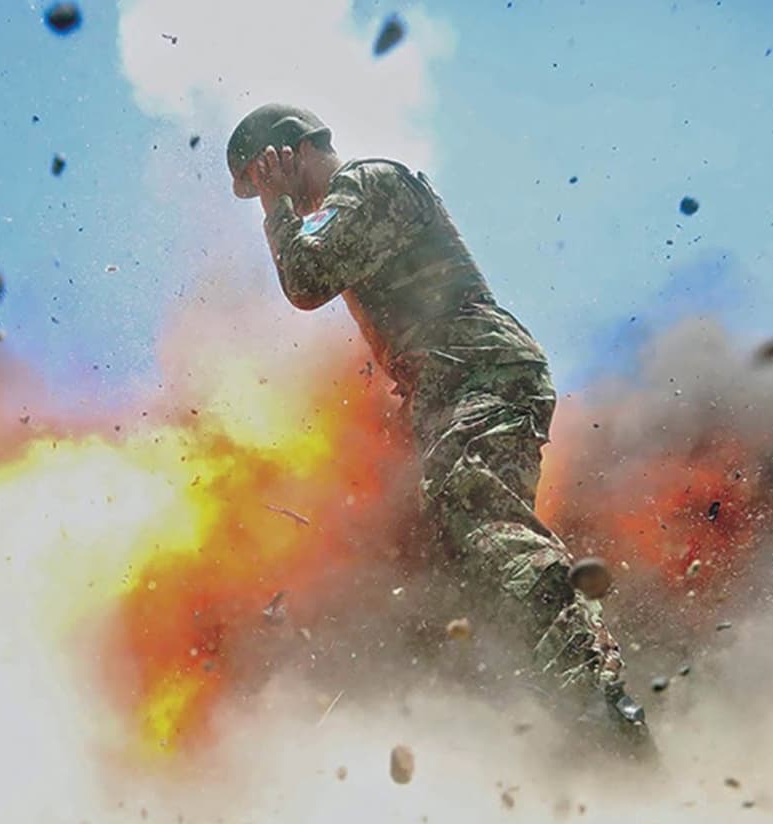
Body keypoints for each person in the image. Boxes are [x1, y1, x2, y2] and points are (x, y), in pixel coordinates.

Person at [227, 103, 650, 746]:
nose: (263, 194)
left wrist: (277, 209)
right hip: (451, 385)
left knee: (476, 511)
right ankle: (533, 718)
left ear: (289, 154)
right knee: (436, 564)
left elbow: (306, 280)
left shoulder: (365, 184)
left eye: (262, 177)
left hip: (478, 372)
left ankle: (593, 692)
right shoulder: (357, 203)